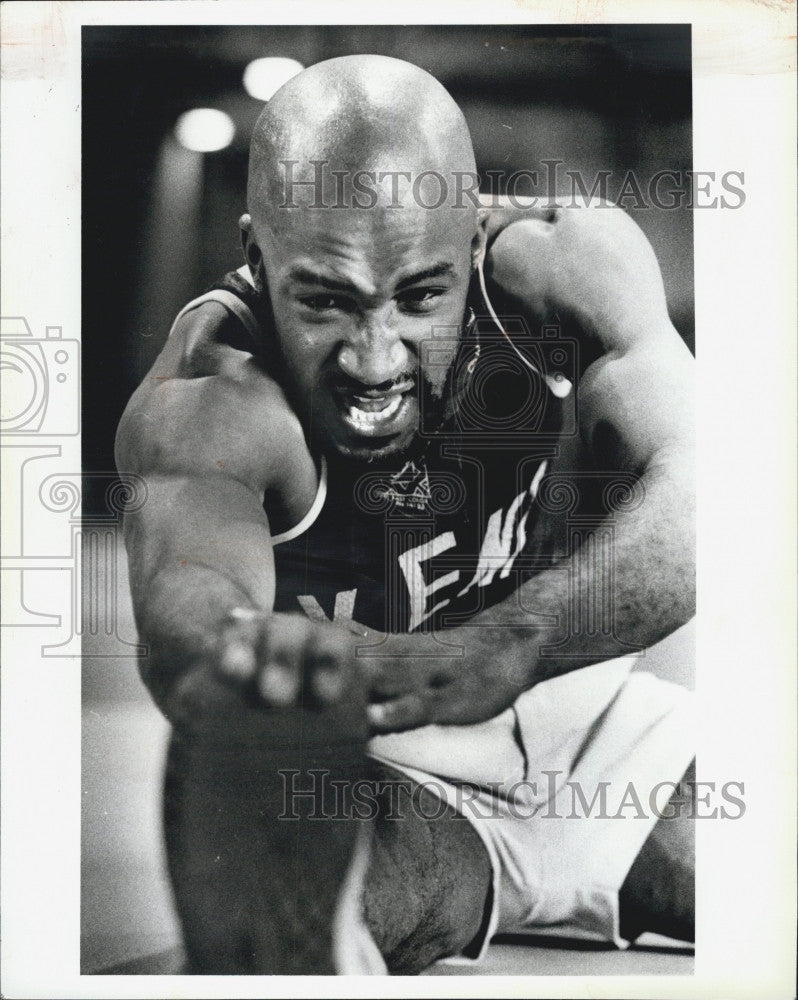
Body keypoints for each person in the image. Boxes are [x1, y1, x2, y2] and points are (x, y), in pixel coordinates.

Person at [115, 54, 696, 975]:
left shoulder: (564, 272)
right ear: (258, 260)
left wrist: (509, 644)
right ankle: (295, 934)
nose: (377, 360)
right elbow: (189, 617)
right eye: (328, 302)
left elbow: (710, 492)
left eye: (421, 297)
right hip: (398, 771)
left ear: (472, 244)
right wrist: (254, 675)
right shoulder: (215, 401)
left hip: (591, 724)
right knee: (355, 884)